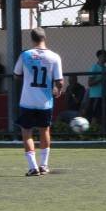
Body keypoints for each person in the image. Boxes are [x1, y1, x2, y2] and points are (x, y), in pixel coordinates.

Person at [13, 28, 64, 176]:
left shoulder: (25, 55)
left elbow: (16, 75)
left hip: (27, 101)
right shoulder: (54, 57)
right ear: (44, 38)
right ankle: (44, 165)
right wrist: (58, 90)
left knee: (26, 132)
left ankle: (33, 167)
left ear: (32, 39)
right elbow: (59, 81)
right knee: (45, 130)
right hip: (45, 102)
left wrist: (27, 79)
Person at [86, 49, 106, 127]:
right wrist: (101, 78)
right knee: (95, 117)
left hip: (105, 95)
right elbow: (90, 83)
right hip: (96, 96)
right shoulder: (94, 67)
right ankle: (92, 132)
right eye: (105, 56)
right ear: (100, 56)